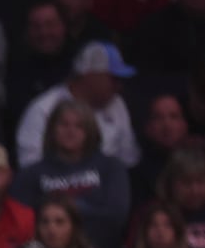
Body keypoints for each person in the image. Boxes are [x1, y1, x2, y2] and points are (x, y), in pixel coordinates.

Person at [11, 99, 130, 248]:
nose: (70, 131)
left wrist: (68, 210)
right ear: (52, 129)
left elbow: (116, 216)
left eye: (79, 126)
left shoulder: (111, 167)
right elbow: (20, 219)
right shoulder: (31, 174)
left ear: (90, 130)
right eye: (64, 124)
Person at [16, 41, 140, 169]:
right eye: (114, 79)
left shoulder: (116, 103)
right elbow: (30, 166)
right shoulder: (43, 109)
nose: (119, 86)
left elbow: (128, 160)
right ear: (89, 75)